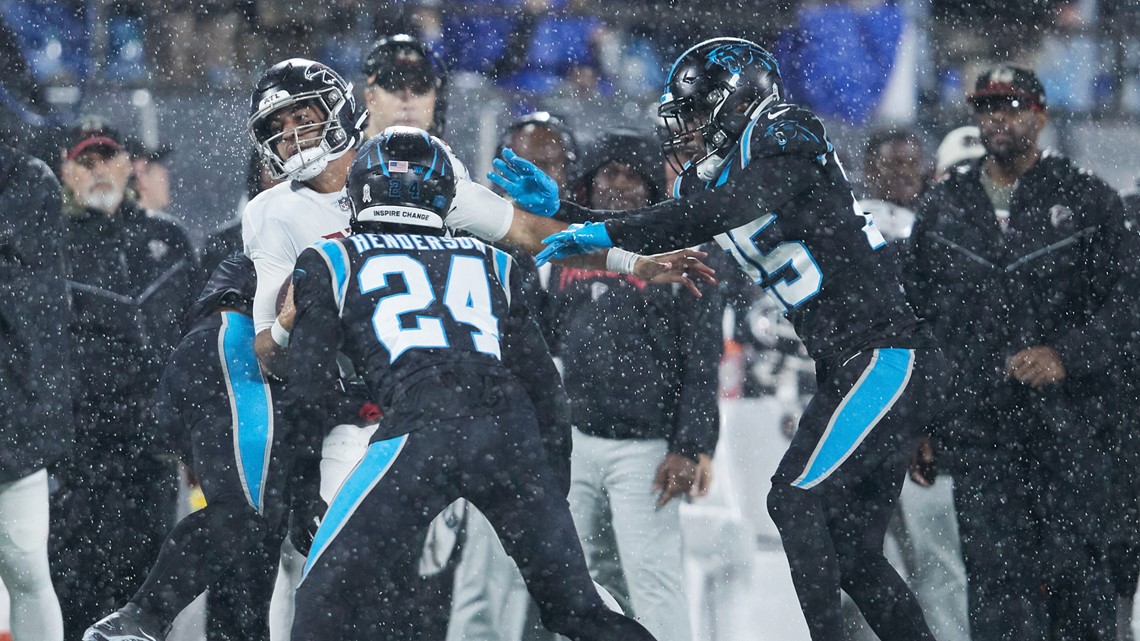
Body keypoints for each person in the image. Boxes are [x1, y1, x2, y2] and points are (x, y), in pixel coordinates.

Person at [491, 37, 949, 641]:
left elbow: (723, 209)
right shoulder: (708, 184)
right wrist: (568, 209)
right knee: (852, 549)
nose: (688, 129)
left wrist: (595, 226)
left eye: (699, 111)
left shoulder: (785, 129)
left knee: (796, 502)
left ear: (738, 101)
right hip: (847, 364)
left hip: (885, 353)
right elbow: (666, 229)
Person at [284, 126, 657, 641]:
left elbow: (308, 388)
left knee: (324, 598)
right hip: (509, 434)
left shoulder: (329, 258)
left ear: (361, 191)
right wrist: (549, 484)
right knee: (575, 610)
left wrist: (302, 485)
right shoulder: (496, 262)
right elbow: (545, 388)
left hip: (420, 430)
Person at [903, 63, 1130, 641]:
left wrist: (1065, 354)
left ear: (1041, 114)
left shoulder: (1088, 200)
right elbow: (918, 324)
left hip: (1074, 431)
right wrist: (919, 422)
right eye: (984, 107)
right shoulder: (942, 207)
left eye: (1010, 105)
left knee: (1083, 587)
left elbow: (1128, 310)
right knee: (996, 589)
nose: (996, 118)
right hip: (980, 432)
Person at [550, 129, 721, 641]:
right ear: (591, 181)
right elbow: (542, 342)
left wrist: (690, 446)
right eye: (610, 173)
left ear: (653, 187)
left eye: (632, 175)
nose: (620, 185)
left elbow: (702, 357)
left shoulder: (683, 249)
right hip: (575, 439)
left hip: (646, 448)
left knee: (654, 580)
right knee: (575, 582)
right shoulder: (569, 245)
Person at [82, 254, 289, 641]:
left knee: (271, 531)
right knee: (250, 509)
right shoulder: (286, 212)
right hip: (237, 352)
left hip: (238, 364)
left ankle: (148, 617)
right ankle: (141, 615)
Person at [51, 115, 199, 640]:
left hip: (150, 448)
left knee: (144, 594)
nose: (97, 172)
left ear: (128, 165)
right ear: (66, 171)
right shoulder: (49, 241)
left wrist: (193, 432)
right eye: (84, 162)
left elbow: (194, 338)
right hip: (76, 451)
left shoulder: (170, 240)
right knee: (74, 587)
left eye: (106, 158)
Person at [857, 127, 970, 641]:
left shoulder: (941, 226)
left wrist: (928, 420)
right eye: (892, 163)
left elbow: (951, 334)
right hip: (860, 418)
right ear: (867, 168)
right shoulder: (846, 223)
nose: (904, 174)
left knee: (938, 561)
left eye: (911, 164)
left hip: (923, 421)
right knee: (858, 567)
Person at [0, 142, 71, 641]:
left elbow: (30, 309)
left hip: (12, 415)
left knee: (26, 567)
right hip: (17, 410)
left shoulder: (27, 180)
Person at [360, 33, 448, 138]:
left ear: (436, 101)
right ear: (370, 98)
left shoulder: (449, 154)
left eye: (420, 90)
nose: (408, 102)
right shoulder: (342, 154)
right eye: (394, 88)